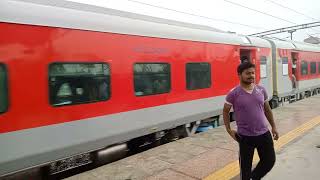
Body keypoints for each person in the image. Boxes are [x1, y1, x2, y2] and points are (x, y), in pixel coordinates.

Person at [223, 62, 279, 180]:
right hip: (245, 137)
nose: (251, 75)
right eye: (248, 73)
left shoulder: (261, 90)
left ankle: (253, 178)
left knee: (269, 161)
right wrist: (228, 129)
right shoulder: (233, 93)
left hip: (264, 133)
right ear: (239, 74)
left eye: (253, 73)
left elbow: (267, 109)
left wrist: (273, 126)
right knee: (245, 169)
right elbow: (225, 111)